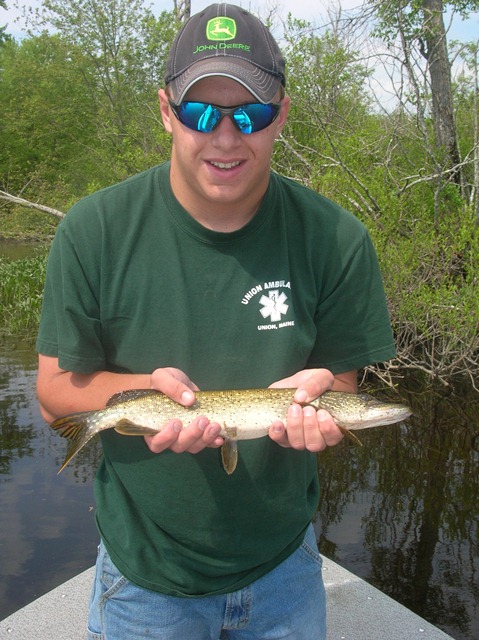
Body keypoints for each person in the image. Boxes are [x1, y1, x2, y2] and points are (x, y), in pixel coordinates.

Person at [36, 4, 396, 639]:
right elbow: (54, 395)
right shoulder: (92, 231)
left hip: (285, 569)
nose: (226, 137)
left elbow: (340, 386)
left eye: (250, 114)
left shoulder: (337, 239)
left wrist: (326, 405)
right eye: (202, 113)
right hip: (146, 578)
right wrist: (145, 394)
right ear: (166, 111)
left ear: (280, 114)